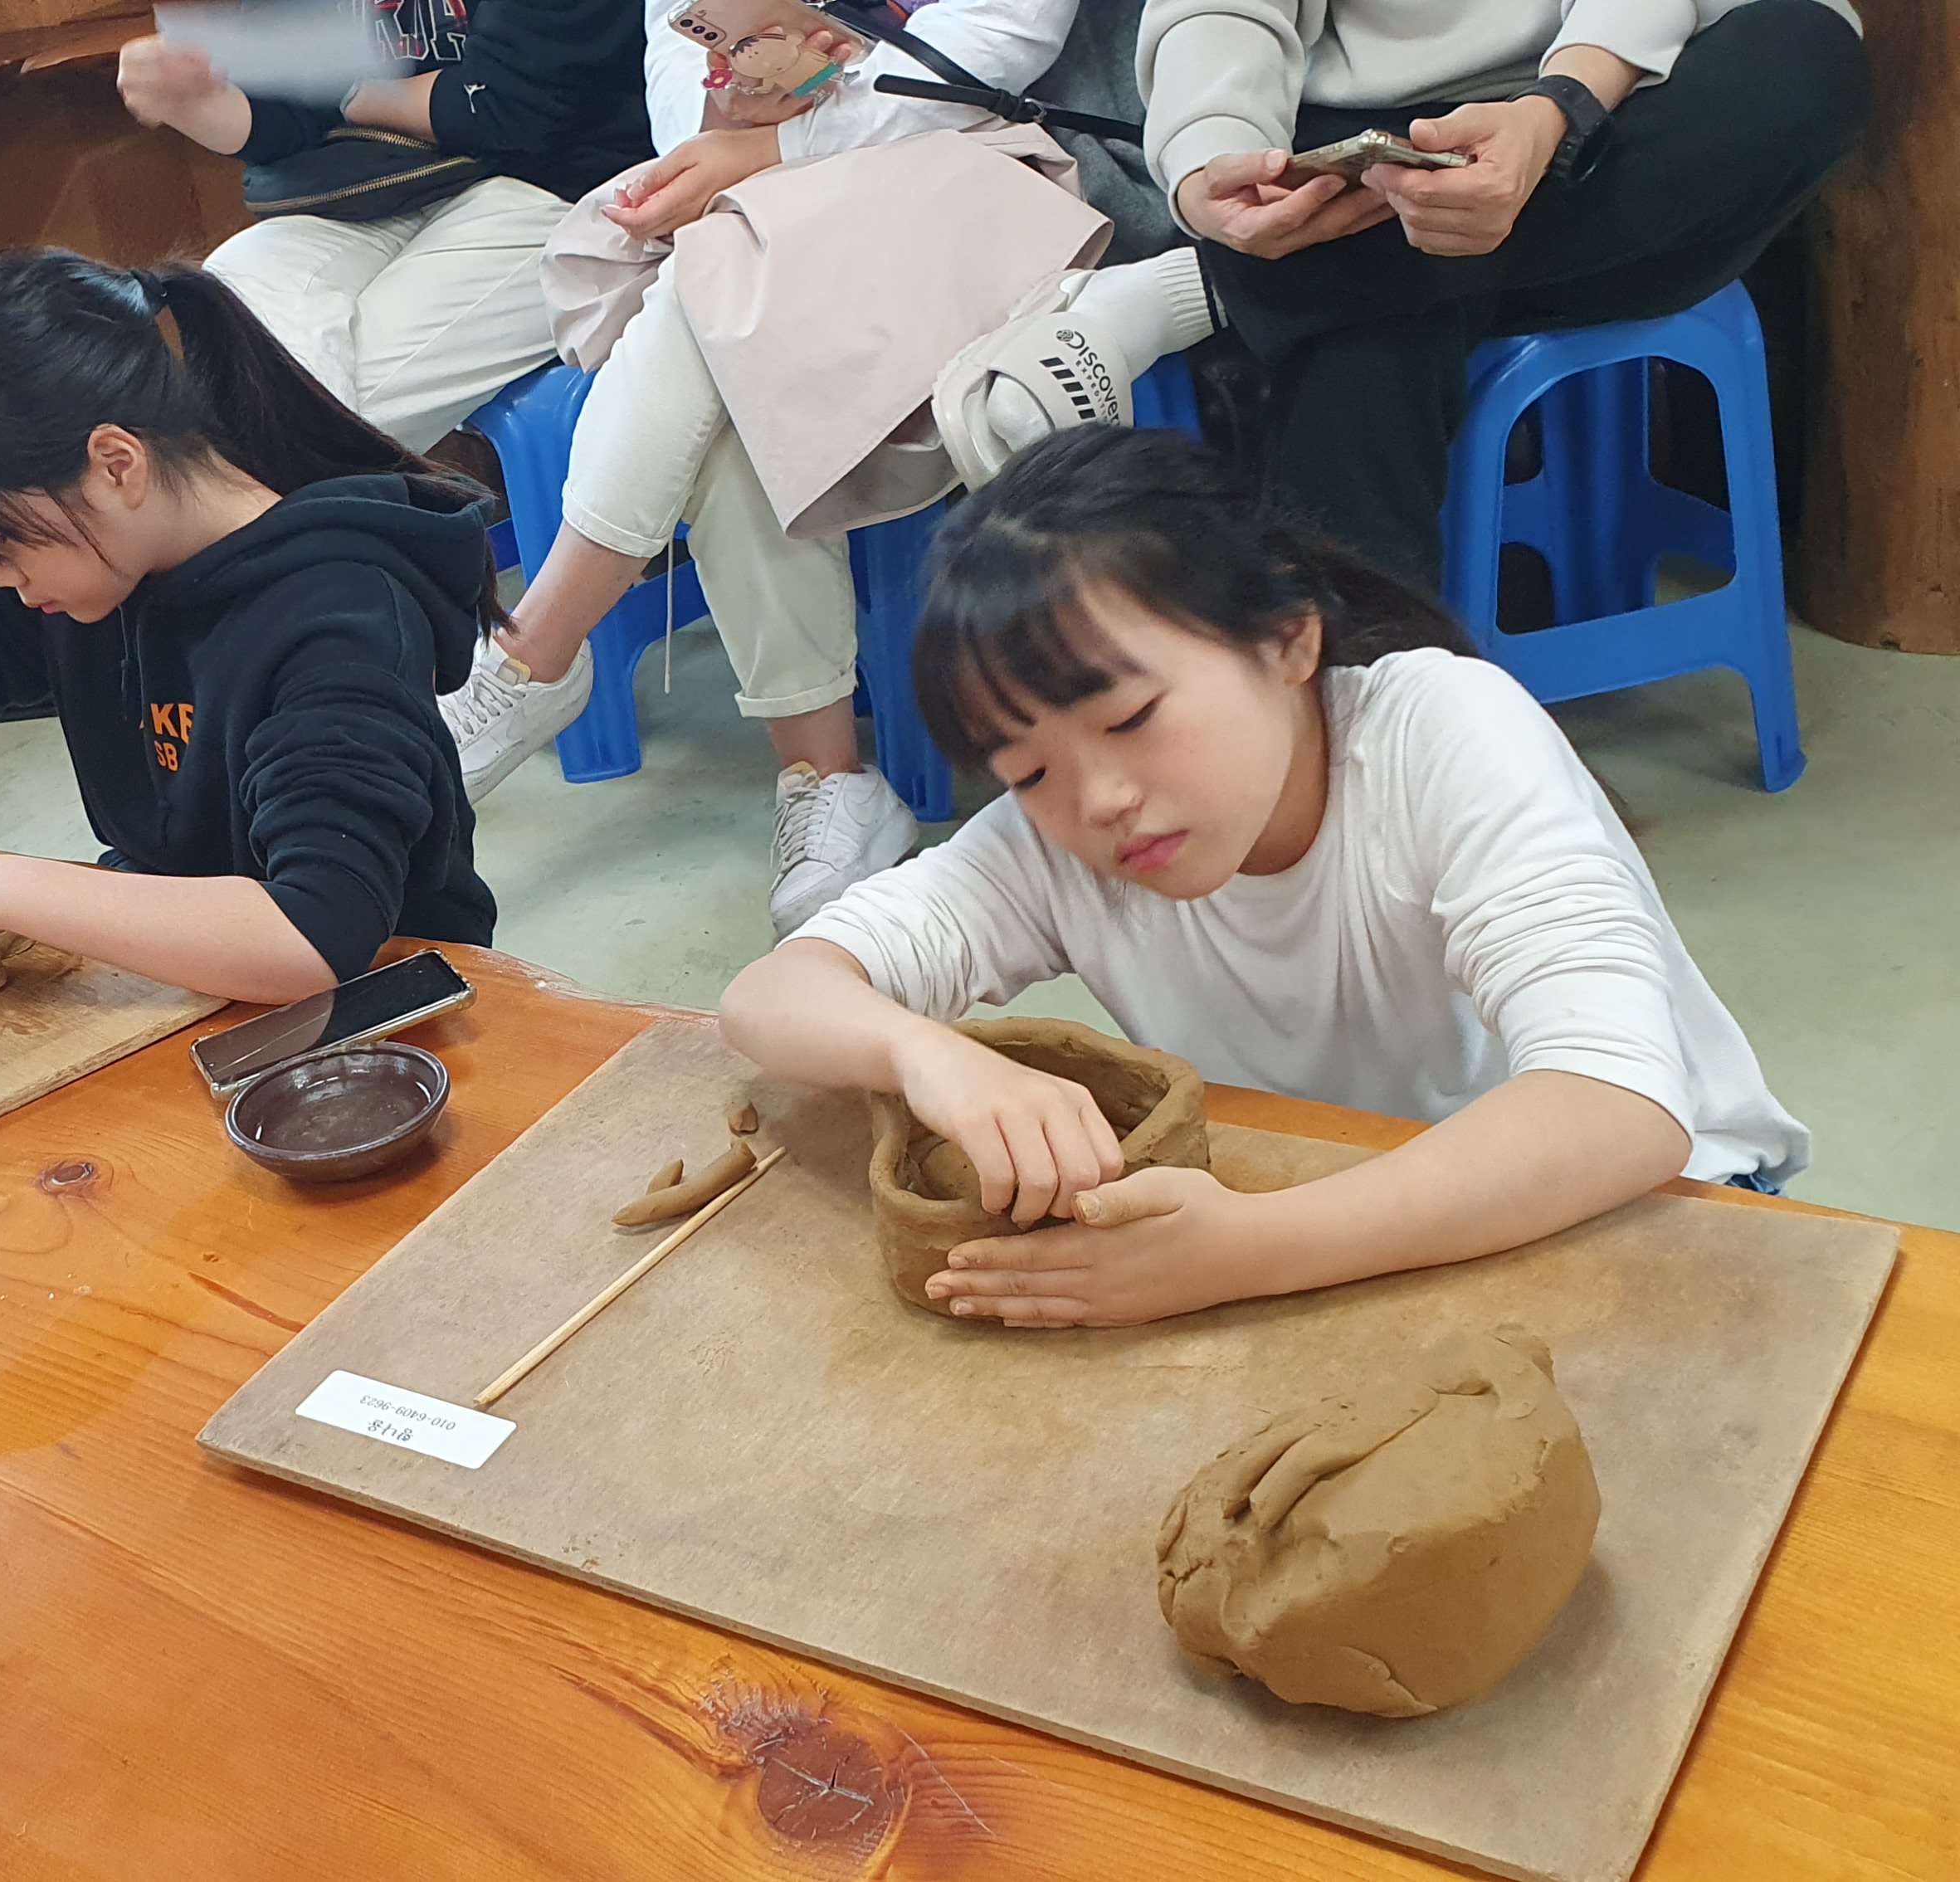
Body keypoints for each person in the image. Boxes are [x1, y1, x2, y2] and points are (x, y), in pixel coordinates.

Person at [719, 427, 1808, 1328]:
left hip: (1659, 1202)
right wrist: (926, 1052)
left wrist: (1243, 1252)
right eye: (1031, 768)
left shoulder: (1440, 731)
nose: (1096, 800)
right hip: (1344, 1212)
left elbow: (1618, 1108)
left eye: (1132, 718)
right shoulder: (1054, 844)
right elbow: (770, 998)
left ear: (1288, 643)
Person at [449, 0, 1215, 939]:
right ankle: (828, 786)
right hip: (772, 184)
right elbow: (678, 51)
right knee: (729, 322)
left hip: (969, 167)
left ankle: (538, 654)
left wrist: (792, 136)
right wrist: (736, 109)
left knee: (720, 279)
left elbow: (991, 47)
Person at [0, 249, 498, 1007]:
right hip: (190, 990)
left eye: (0, 544)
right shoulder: (83, 563)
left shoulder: (338, 618)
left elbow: (313, 938)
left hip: (386, 1011)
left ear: (117, 464)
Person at [1138, 0, 1867, 587]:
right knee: (1367, 342)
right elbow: (1221, 14)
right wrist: (1213, 160)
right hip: (1394, 148)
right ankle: (1372, 716)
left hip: (1622, 130)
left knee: (1806, 53)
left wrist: (1557, 109)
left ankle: (1238, 284)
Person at [115, 0, 651, 451]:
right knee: (226, 330)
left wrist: (346, 94)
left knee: (327, 417)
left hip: (563, 191)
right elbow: (285, 116)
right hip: (374, 187)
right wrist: (197, 101)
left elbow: (508, 110)